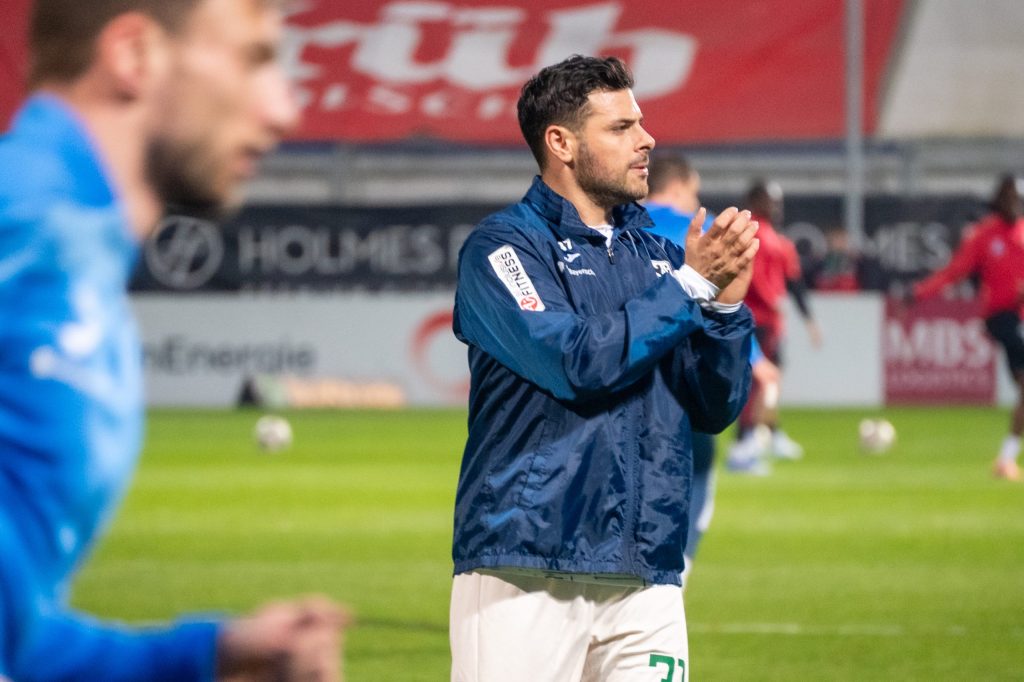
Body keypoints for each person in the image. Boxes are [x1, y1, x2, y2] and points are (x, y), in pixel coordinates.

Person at [0, 1, 349, 680]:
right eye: (253, 59)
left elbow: (18, 638)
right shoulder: (25, 219)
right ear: (134, 55)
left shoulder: (80, 259)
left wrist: (208, 654)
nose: (284, 111)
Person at [449, 55, 758, 682]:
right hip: (527, 566)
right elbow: (575, 361)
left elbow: (713, 407)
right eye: (621, 127)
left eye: (640, 122)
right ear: (561, 143)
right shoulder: (503, 249)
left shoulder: (661, 258)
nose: (647, 140)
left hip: (647, 572)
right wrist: (690, 286)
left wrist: (725, 311)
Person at [643, 155, 782, 586]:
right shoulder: (697, 231)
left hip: (624, 377)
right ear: (678, 187)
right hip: (683, 381)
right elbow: (719, 302)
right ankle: (679, 568)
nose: (696, 199)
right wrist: (755, 359)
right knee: (698, 469)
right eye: (694, 190)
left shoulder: (614, 225)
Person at [910, 174, 1024, 481]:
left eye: (1018, 199)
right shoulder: (984, 235)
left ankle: (1006, 460)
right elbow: (956, 271)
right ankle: (1006, 459)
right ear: (999, 200)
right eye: (1010, 198)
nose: (1015, 204)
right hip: (1003, 317)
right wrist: (920, 292)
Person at [727, 179, 822, 472]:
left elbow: (794, 283)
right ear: (755, 201)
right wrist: (773, 301)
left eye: (778, 201)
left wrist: (808, 321)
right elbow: (753, 277)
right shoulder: (752, 234)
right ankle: (745, 444)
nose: (776, 206)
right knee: (760, 382)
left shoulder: (777, 240)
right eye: (771, 200)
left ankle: (768, 433)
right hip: (757, 319)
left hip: (770, 321)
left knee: (768, 381)